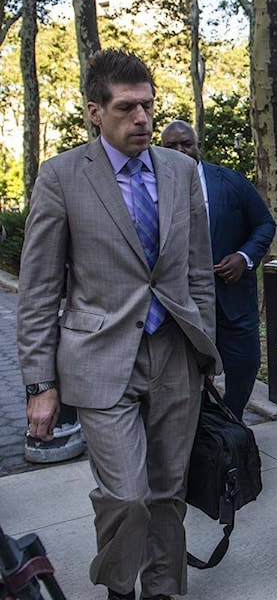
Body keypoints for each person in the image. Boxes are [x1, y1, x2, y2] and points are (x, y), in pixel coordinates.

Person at [17, 49, 220, 600]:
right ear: (94, 111)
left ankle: (157, 590)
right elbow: (37, 291)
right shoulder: (62, 177)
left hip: (176, 353)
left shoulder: (181, 172)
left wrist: (207, 355)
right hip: (101, 359)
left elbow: (197, 272)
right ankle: (118, 587)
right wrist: (40, 385)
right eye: (128, 108)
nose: (143, 119)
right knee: (127, 495)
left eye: (149, 106)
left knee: (167, 492)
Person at [160, 120, 276, 420]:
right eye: (171, 145)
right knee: (185, 373)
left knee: (246, 363)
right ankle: (197, 429)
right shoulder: (153, 187)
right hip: (180, 304)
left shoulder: (230, 181)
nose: (180, 150)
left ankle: (231, 420)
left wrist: (243, 256)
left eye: (186, 143)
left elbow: (264, 223)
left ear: (197, 144)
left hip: (233, 299)